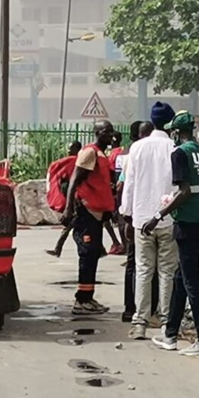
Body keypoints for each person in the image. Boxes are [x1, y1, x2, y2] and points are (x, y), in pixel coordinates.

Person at [144, 111, 199, 356]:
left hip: (187, 222)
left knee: (191, 282)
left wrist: (158, 215)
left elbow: (184, 191)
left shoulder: (180, 153)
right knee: (179, 278)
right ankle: (170, 334)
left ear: (176, 131)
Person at [120, 103, 178, 340]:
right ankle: (166, 322)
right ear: (171, 122)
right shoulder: (175, 147)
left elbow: (130, 184)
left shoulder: (137, 148)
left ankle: (140, 323)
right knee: (166, 271)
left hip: (142, 218)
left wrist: (127, 214)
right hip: (168, 217)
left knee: (143, 271)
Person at [61, 121, 116, 315]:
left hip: (96, 214)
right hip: (86, 213)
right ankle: (81, 301)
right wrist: (68, 209)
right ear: (98, 133)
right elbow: (75, 179)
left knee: (93, 254)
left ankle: (88, 297)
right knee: (87, 254)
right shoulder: (89, 153)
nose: (111, 136)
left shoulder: (101, 154)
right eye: (107, 133)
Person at [119, 122, 159, 322]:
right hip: (152, 216)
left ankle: (131, 308)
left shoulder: (132, 154)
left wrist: (125, 216)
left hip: (137, 215)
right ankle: (149, 310)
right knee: (151, 267)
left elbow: (124, 186)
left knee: (135, 265)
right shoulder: (155, 151)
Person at [46, 141, 83, 257]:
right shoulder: (75, 162)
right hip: (74, 199)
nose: (68, 151)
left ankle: (58, 249)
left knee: (72, 226)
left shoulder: (76, 162)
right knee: (76, 226)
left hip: (78, 200)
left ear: (77, 149)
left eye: (71, 148)